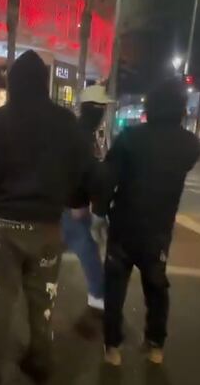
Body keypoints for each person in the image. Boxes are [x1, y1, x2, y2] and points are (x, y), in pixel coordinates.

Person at [0, 50, 90, 384]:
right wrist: (75, 201)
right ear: (44, 83)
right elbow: (81, 172)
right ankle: (40, 361)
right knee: (43, 298)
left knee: (1, 297)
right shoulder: (66, 122)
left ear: (13, 84)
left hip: (5, 226)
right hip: (49, 226)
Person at [92, 79, 200, 366]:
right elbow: (187, 161)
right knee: (156, 286)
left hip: (123, 227)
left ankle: (113, 347)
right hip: (158, 231)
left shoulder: (130, 138)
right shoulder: (189, 144)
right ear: (181, 108)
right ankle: (155, 345)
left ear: (150, 107)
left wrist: (99, 213)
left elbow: (108, 179)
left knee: (115, 287)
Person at [61, 85, 111, 311]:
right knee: (87, 250)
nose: (103, 113)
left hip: (71, 205)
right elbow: (73, 171)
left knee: (58, 248)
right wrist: (76, 203)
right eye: (102, 108)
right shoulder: (81, 135)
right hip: (72, 207)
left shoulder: (82, 133)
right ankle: (98, 296)